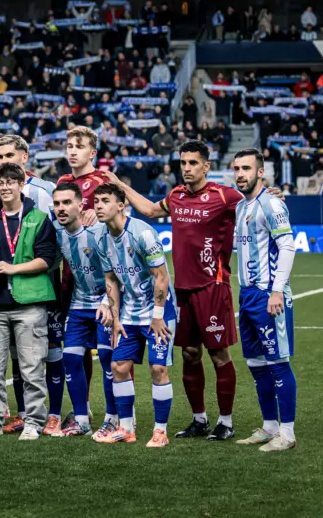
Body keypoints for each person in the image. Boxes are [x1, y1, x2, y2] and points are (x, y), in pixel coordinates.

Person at [106, 140, 248, 441]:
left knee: (218, 354)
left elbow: (253, 204)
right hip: (182, 290)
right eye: (183, 163)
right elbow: (148, 209)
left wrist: (270, 192)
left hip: (213, 286)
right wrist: (119, 185)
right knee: (190, 353)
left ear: (206, 166)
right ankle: (200, 420)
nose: (186, 168)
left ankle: (226, 421)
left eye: (193, 163)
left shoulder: (225, 196)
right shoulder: (177, 196)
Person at [0, 163, 57, 441]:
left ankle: (32, 421)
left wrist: (11, 268)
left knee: (32, 369)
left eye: (11, 182)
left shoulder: (39, 217)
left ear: (22, 185)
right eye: (1, 183)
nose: (5, 187)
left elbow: (47, 260)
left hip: (30, 304)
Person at [91, 183, 178, 448]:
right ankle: (126, 428)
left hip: (158, 313)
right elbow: (110, 281)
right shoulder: (100, 238)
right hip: (129, 315)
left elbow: (161, 277)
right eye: (96, 201)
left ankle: (160, 431)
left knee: (158, 368)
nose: (98, 206)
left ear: (121, 205)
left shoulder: (143, 233)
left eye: (105, 200)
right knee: (118, 366)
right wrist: (116, 318)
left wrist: (158, 315)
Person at [0, 134, 63, 434]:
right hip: (1, 298)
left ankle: (52, 415)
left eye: (10, 155)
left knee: (46, 356)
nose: (5, 161)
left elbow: (55, 243)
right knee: (9, 362)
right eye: (0, 156)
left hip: (38, 291)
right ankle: (19, 414)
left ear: (24, 156)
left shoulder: (46, 192)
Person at [231, 150, 298, 452]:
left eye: (247, 168)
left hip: (267, 294)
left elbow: (287, 245)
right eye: (236, 169)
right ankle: (270, 428)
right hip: (246, 295)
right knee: (256, 364)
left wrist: (276, 290)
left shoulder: (271, 203)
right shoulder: (241, 207)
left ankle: (287, 432)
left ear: (260, 172)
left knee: (278, 362)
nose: (240, 173)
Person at [51, 182, 114, 438]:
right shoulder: (57, 231)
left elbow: (118, 269)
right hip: (79, 303)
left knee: (110, 361)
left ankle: (113, 418)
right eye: (57, 204)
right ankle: (81, 420)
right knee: (72, 358)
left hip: (106, 302)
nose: (61, 209)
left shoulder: (99, 231)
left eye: (67, 203)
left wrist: (109, 303)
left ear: (81, 205)